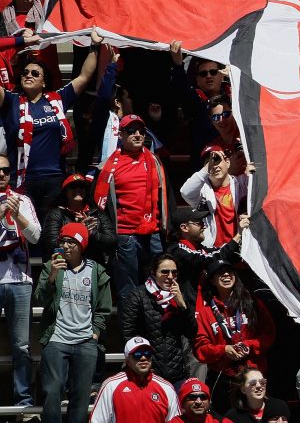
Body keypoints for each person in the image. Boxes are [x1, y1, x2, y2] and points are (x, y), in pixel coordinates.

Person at [1, 31, 102, 222]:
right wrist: (19, 41)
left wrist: (94, 46)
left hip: (54, 180)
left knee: (51, 236)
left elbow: (84, 76)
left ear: (44, 81)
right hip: (21, 181)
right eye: (25, 73)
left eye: (34, 73)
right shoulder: (10, 101)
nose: (28, 75)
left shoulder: (58, 99)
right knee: (25, 235)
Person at [37, 223, 112, 423]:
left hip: (86, 341)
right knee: (53, 390)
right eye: (64, 241)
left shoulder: (97, 271)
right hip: (57, 339)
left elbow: (104, 309)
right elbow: (39, 300)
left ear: (82, 245)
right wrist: (52, 277)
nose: (67, 246)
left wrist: (95, 333)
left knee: (80, 396)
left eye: (72, 242)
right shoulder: (50, 267)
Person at [95, 114, 170, 300]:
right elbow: (100, 205)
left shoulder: (155, 161)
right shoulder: (108, 167)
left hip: (153, 233)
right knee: (128, 291)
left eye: (141, 131)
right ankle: (131, 329)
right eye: (131, 131)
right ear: (121, 135)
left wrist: (166, 227)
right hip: (125, 236)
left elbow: (167, 198)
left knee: (160, 288)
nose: (137, 135)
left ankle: (156, 328)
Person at [193, 260, 275, 384]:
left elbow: (268, 333)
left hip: (255, 373)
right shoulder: (206, 312)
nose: (226, 275)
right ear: (212, 280)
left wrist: (249, 346)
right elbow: (201, 349)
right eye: (220, 272)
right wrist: (224, 350)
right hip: (224, 376)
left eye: (229, 272)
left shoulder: (252, 303)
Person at [120, 254, 197, 386]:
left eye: (174, 272)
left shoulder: (179, 297)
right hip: (147, 373)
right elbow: (128, 333)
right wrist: (143, 363)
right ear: (153, 273)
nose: (171, 277)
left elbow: (192, 332)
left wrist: (182, 305)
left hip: (176, 372)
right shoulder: (137, 296)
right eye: (165, 272)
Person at [0, 155, 38, 411]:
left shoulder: (22, 200)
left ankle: (24, 404)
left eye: (6, 170)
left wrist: (17, 216)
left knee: (22, 346)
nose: (2, 174)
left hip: (19, 281)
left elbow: (36, 237)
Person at [90, 337, 181, 423]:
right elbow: (97, 420)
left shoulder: (166, 387)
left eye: (147, 354)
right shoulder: (111, 385)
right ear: (127, 360)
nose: (143, 358)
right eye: (137, 355)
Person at [167, 204, 244, 305]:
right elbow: (208, 260)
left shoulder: (202, 249)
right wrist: (238, 236)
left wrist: (246, 233)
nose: (204, 226)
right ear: (184, 227)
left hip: (207, 305)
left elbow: (229, 255)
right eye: (199, 223)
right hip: (189, 308)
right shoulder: (177, 249)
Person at [181, 145, 249, 248]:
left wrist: (252, 173)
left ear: (228, 162)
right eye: (209, 163)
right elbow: (186, 192)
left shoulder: (242, 183)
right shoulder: (202, 191)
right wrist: (207, 168)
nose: (214, 165)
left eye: (217, 160)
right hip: (215, 252)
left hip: (242, 247)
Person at [42, 173, 116, 266]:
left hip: (95, 264)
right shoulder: (56, 214)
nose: (78, 189)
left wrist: (91, 233)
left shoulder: (97, 213)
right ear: (65, 192)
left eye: (81, 187)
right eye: (73, 186)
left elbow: (112, 241)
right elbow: (51, 245)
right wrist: (77, 230)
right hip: (66, 266)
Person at [223, 367, 289, 423]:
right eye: (253, 383)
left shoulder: (279, 407)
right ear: (243, 389)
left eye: (262, 382)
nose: (259, 386)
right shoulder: (233, 416)